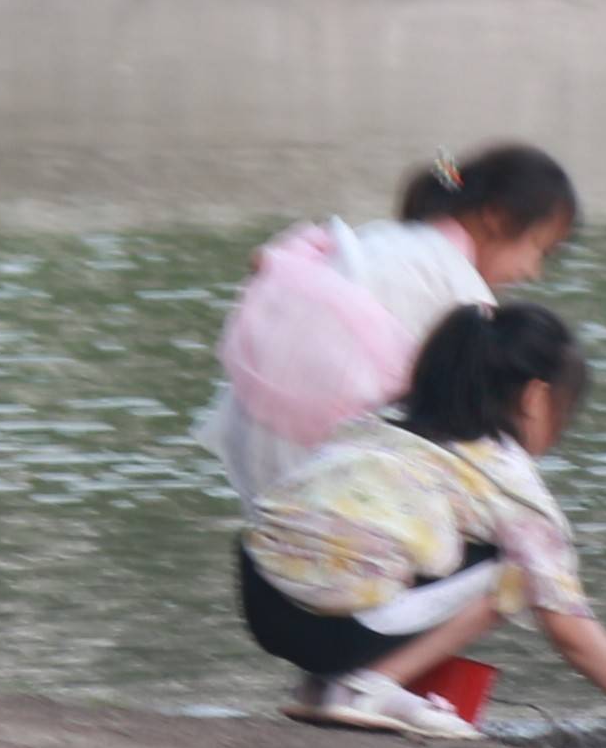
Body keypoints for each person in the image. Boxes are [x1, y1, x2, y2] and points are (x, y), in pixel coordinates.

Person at [238, 303, 606, 738]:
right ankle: (367, 688)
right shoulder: (504, 477)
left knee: (390, 551)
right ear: (535, 397)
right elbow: (566, 624)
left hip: (261, 602)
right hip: (338, 629)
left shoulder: (369, 430)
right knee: (520, 572)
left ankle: (321, 684)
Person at [199, 146, 581, 506]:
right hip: (315, 447)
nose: (533, 272)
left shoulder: (386, 236)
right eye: (538, 250)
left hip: (249, 425)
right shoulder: (461, 292)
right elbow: (469, 418)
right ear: (495, 217)